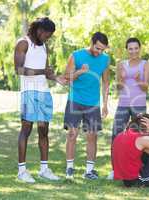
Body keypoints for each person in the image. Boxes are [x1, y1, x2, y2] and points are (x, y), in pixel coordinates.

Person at [14, 17, 65, 183]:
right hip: (29, 92)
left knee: (44, 130)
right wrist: (43, 71)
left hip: (44, 92)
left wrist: (57, 78)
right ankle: (22, 171)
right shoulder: (23, 43)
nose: (47, 38)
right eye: (46, 35)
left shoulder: (44, 47)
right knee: (26, 129)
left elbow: (47, 72)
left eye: (49, 36)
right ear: (38, 29)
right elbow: (19, 70)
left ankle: (44, 169)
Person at [63, 32, 110, 180]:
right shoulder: (76, 55)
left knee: (92, 136)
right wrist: (80, 72)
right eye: (97, 48)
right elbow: (66, 78)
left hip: (93, 103)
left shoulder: (105, 59)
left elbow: (106, 82)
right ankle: (70, 168)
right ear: (91, 42)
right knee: (72, 134)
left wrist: (105, 104)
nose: (99, 52)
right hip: (75, 100)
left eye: (102, 49)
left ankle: (89, 170)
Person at [107, 38, 149, 180]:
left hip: (139, 104)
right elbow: (118, 87)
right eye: (130, 49)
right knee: (116, 135)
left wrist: (138, 80)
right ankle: (115, 170)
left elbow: (146, 87)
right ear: (127, 50)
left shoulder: (146, 64)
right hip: (123, 104)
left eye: (136, 48)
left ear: (140, 48)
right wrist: (122, 79)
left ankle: (142, 170)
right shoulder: (121, 64)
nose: (133, 51)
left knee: (141, 136)